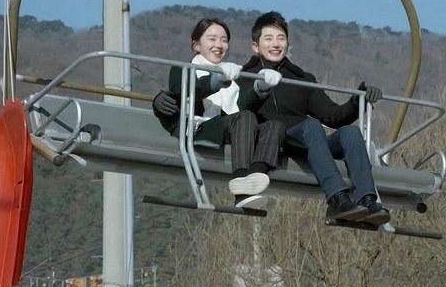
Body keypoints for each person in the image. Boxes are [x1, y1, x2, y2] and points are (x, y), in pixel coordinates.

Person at [238, 11, 391, 225]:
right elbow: (241, 110)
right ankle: (337, 198)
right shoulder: (245, 77)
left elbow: (332, 116)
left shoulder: (302, 79)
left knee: (350, 132)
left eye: (281, 38)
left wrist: (358, 101)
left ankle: (367, 200)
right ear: (256, 46)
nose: (276, 44)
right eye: (269, 38)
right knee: (310, 125)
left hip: (308, 140)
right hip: (273, 140)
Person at [152, 17, 284, 209]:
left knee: (275, 125)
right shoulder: (183, 70)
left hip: (234, 128)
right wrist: (217, 79)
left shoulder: (233, 74)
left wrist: (261, 86)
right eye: (212, 39)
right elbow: (188, 90)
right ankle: (241, 181)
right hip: (203, 127)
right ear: (196, 45)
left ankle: (255, 175)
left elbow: (243, 104)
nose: (219, 45)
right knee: (245, 117)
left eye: (224, 40)